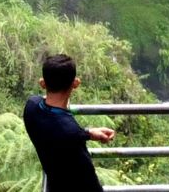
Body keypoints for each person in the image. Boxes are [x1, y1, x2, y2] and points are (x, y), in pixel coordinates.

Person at [23, 53, 115, 192]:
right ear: (76, 83)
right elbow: (90, 183)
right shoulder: (70, 134)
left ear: (42, 83)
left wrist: (88, 133)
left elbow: (56, 123)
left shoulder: (31, 107)